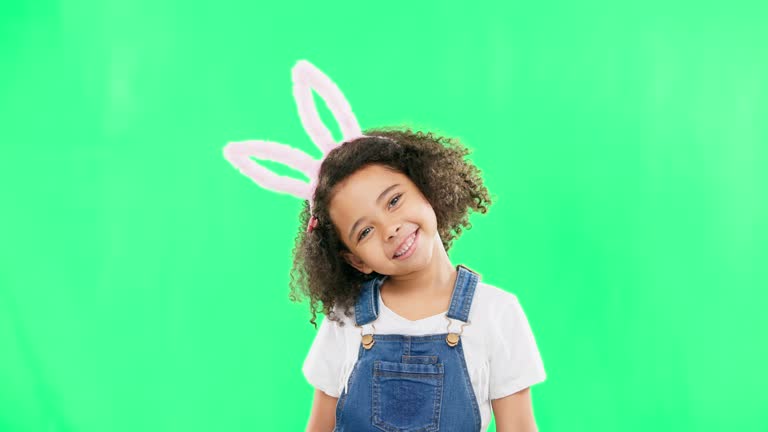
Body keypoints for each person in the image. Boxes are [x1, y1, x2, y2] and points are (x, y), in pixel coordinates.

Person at [223, 61, 546, 432]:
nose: (390, 228)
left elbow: (519, 427)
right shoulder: (344, 319)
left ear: (427, 187)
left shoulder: (496, 313)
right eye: (364, 232)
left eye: (393, 201)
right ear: (354, 260)